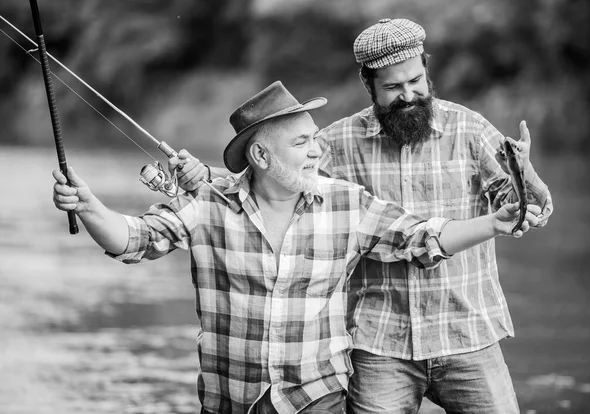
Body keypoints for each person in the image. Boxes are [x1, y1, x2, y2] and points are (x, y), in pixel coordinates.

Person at [52, 81, 539, 414]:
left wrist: (492, 223)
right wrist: (90, 206)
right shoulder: (209, 205)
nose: (318, 151)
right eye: (304, 142)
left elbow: (425, 236)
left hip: (317, 399)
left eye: (316, 141)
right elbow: (135, 240)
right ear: (262, 155)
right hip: (230, 400)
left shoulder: (346, 205)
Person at [179, 19, 554, 414]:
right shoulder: (337, 142)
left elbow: (530, 210)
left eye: (416, 80)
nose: (409, 95)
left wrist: (524, 176)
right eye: (393, 87)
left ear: (427, 69)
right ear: (368, 84)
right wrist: (206, 178)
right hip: (377, 342)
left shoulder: (470, 129)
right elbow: (273, 177)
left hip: (469, 331)